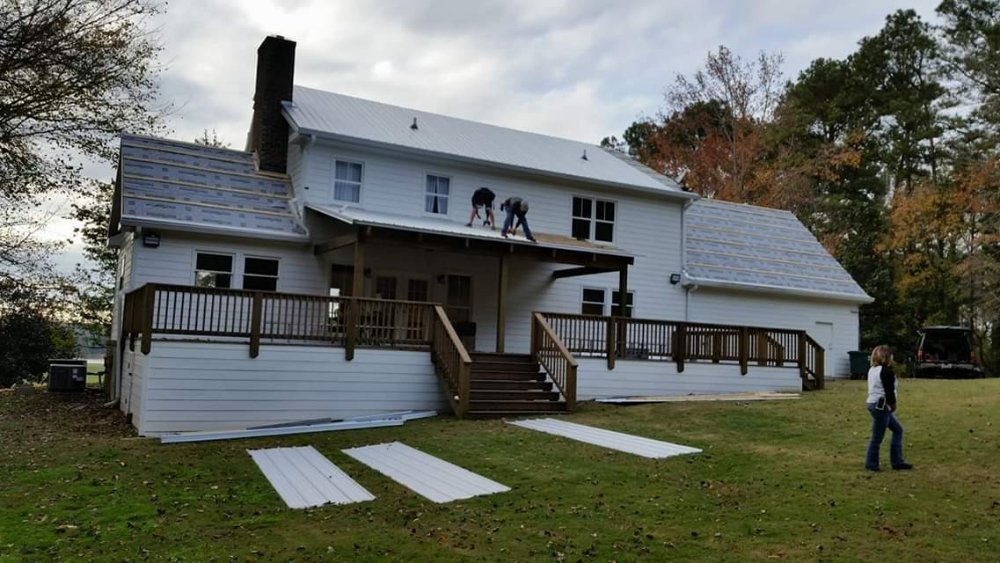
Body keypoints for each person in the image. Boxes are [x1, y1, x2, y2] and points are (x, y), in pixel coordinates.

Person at [864, 345, 913, 471]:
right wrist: (893, 406)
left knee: (898, 430)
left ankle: (897, 461)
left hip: (873, 403)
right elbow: (889, 392)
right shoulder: (886, 372)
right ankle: (871, 464)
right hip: (881, 406)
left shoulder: (872, 370)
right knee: (877, 437)